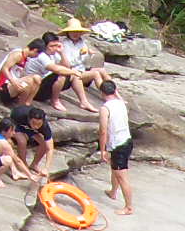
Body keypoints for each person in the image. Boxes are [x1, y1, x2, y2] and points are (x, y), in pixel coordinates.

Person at [98, 78, 133, 215]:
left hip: (118, 145)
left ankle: (129, 207)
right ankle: (113, 191)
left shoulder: (105, 109)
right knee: (115, 168)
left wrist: (103, 150)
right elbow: (117, 95)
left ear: (102, 93)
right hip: (127, 140)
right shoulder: (121, 103)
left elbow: (103, 131)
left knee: (121, 176)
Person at [53, 21, 106, 111]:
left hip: (81, 70)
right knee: (95, 74)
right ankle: (88, 100)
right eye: (73, 32)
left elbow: (85, 60)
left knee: (101, 71)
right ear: (68, 33)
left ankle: (114, 93)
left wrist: (88, 54)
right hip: (71, 72)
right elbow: (68, 63)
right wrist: (81, 55)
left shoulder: (82, 42)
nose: (75, 34)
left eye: (77, 32)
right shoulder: (65, 44)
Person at [8, 103, 56, 177]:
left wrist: (46, 168)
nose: (36, 126)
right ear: (28, 119)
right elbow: (9, 125)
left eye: (39, 124)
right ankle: (23, 165)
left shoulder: (44, 126)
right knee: (22, 141)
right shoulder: (19, 114)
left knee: (44, 144)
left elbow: (50, 148)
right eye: (34, 123)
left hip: (30, 129)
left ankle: (34, 164)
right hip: (17, 125)